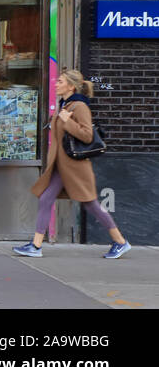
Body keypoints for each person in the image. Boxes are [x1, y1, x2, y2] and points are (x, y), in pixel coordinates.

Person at [14, 70, 131, 259]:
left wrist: (67, 122)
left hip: (76, 168)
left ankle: (120, 241)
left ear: (71, 86)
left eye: (60, 81)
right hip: (62, 166)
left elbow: (87, 135)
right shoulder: (65, 105)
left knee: (90, 204)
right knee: (45, 199)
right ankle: (35, 246)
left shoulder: (79, 107)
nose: (56, 83)